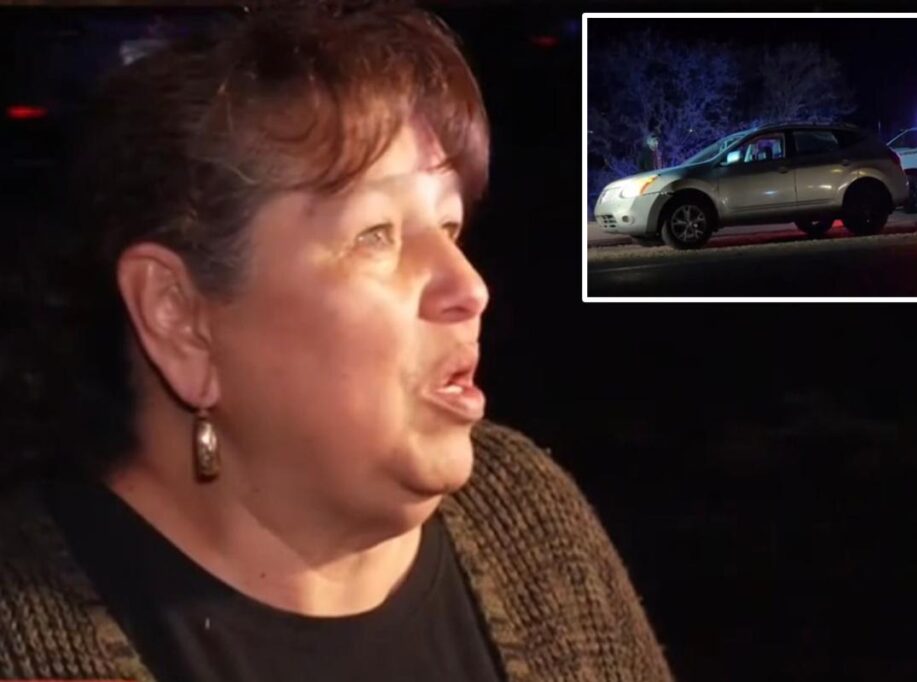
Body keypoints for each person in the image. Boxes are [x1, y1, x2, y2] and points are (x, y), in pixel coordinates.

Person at [0, 3, 674, 681]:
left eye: (449, 228)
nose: (469, 288)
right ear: (178, 317)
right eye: (375, 235)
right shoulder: (25, 640)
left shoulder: (523, 514)